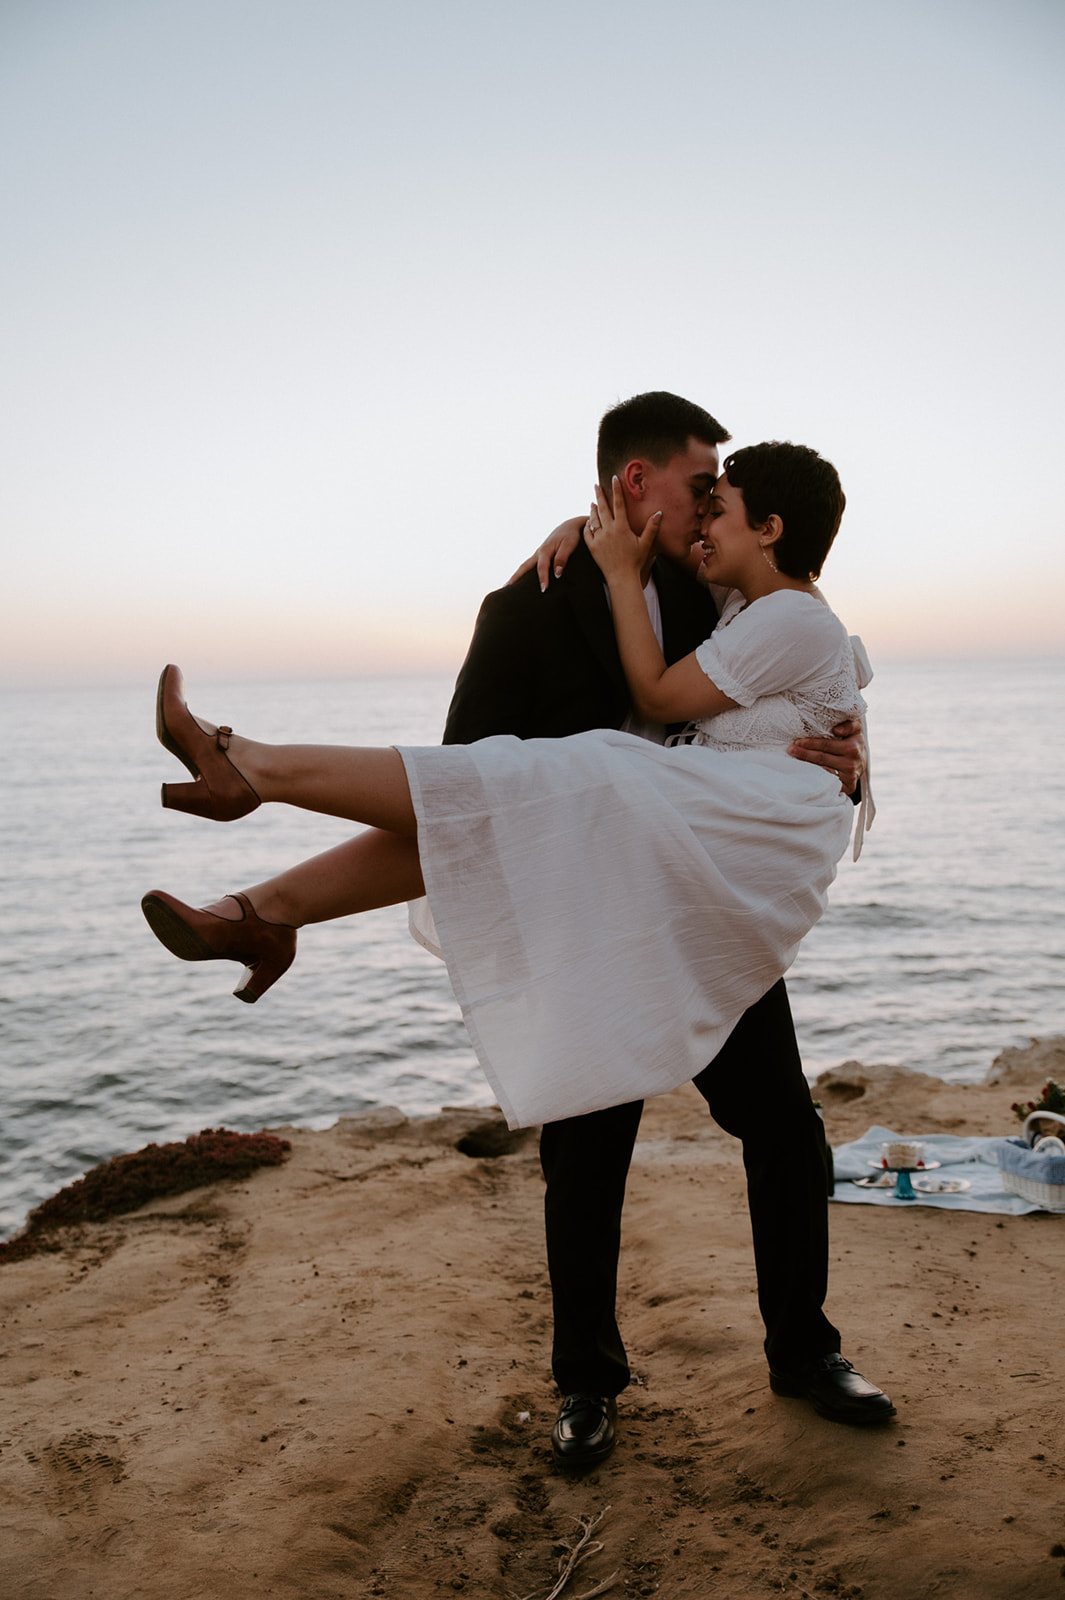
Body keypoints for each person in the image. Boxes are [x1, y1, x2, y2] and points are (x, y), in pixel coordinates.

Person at [143, 413, 895, 1456]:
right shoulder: (528, 605)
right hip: (586, 914)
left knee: (782, 1127)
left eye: (724, 490)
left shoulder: (714, 584)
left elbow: (821, 664)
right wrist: (569, 543)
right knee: (585, 1155)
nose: (712, 498)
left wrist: (854, 761)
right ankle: (587, 1384)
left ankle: (806, 1351)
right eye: (700, 481)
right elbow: (454, 787)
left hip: (699, 902)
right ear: (641, 482)